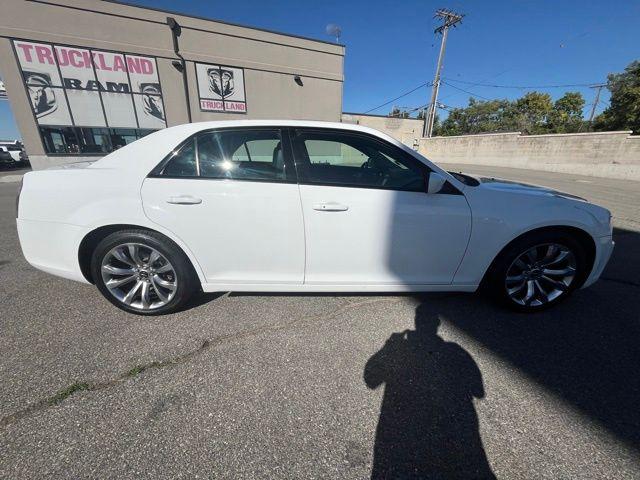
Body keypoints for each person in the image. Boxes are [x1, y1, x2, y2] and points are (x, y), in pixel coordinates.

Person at [364, 303, 495, 479]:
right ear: (438, 325)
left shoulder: (402, 347)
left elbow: (371, 380)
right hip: (455, 429)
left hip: (400, 428)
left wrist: (389, 346)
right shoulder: (454, 350)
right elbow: (478, 391)